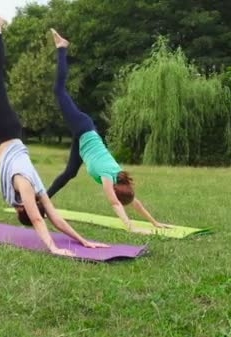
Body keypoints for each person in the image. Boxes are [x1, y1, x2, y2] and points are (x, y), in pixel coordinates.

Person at [0, 4, 108, 255]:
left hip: (0, 143)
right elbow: (39, 220)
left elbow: (53, 217)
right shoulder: (24, 185)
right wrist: (54, 248)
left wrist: (83, 240)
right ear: (22, 207)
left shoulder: (37, 190)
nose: (16, 208)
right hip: (8, 131)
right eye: (18, 210)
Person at [47, 29, 170, 234]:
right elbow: (115, 203)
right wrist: (130, 227)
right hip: (83, 128)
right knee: (58, 90)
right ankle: (62, 48)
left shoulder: (119, 177)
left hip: (84, 140)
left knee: (69, 173)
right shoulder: (108, 176)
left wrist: (155, 223)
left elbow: (133, 201)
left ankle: (41, 201)